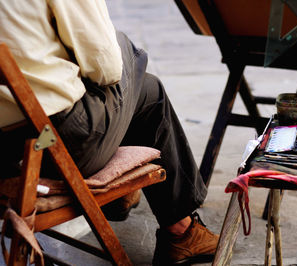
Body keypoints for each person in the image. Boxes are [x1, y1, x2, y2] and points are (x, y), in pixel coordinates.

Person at [0, 0, 218, 265]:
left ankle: (170, 223)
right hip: (53, 148)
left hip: (9, 154)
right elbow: (106, 68)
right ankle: (180, 230)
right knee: (129, 58)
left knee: (143, 88)